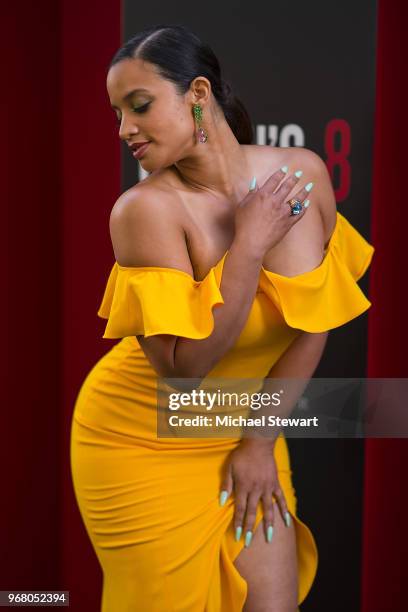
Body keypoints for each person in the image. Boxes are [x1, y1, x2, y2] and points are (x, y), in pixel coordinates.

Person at [70, 24, 375, 611]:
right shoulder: (144, 211)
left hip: (247, 426)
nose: (124, 129)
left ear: (198, 94)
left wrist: (259, 443)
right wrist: (249, 247)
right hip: (141, 438)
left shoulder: (302, 173)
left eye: (139, 106)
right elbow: (186, 373)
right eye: (117, 113)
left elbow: (317, 323)